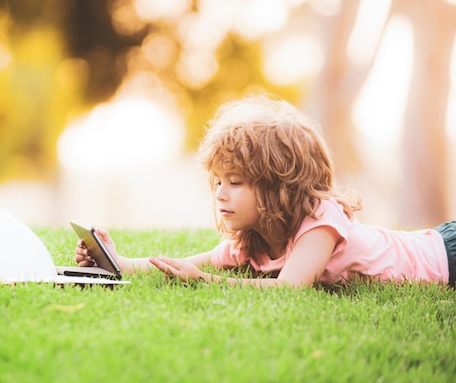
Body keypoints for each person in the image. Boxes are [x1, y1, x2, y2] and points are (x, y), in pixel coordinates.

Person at [74, 94, 456, 288]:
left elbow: (291, 290)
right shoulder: (255, 241)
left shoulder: (320, 219)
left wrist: (205, 282)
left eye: (235, 183)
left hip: (444, 258)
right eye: (219, 182)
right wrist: (116, 260)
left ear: (278, 185)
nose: (221, 194)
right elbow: (187, 261)